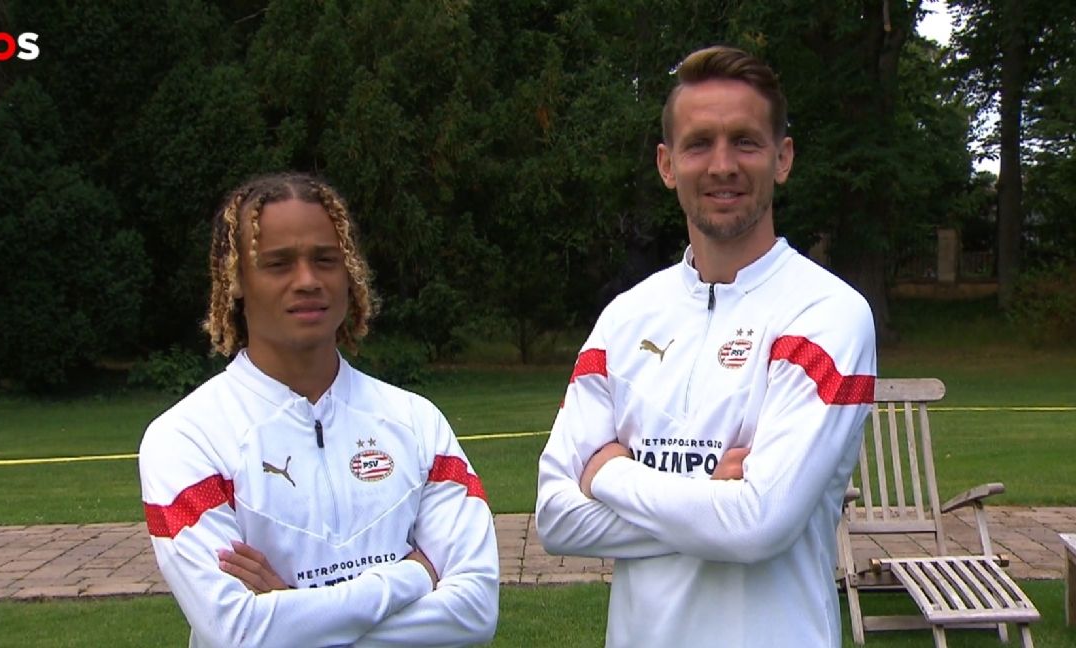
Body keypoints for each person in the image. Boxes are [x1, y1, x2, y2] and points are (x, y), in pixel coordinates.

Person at [535, 46, 877, 647]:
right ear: (667, 164)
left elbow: (758, 525)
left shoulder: (828, 314)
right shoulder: (624, 319)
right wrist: (714, 504)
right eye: (698, 144)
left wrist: (609, 472)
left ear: (782, 158)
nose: (722, 165)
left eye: (745, 141)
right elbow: (556, 518)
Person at [139, 172, 499, 648]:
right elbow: (239, 632)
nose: (307, 281)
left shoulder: (417, 422)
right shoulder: (185, 438)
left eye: (325, 260)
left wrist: (293, 611)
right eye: (278, 263)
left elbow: (474, 612)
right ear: (236, 280)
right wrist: (413, 576)